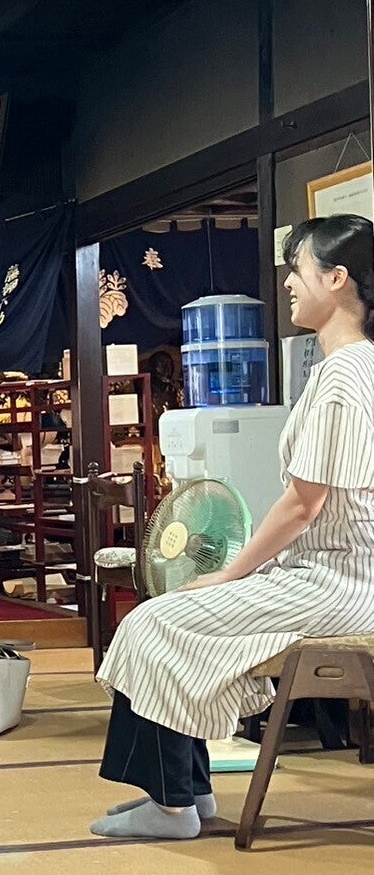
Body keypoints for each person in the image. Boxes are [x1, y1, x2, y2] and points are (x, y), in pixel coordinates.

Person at [91, 213, 374, 840]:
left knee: (154, 621)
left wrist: (229, 573)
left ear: (337, 278)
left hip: (336, 582)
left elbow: (303, 506)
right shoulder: (355, 367)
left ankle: (172, 806)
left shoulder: (343, 377)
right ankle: (188, 796)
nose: (289, 284)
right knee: (164, 621)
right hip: (338, 575)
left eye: (298, 270)